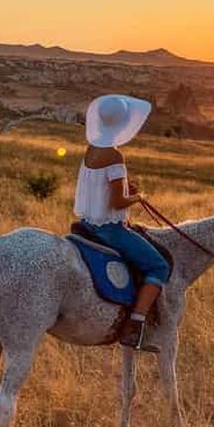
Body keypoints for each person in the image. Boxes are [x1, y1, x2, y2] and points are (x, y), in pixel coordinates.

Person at [73, 94, 170, 352]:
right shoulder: (116, 156)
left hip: (87, 223)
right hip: (109, 229)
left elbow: (100, 187)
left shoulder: (91, 148)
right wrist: (137, 196)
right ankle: (135, 325)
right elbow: (117, 203)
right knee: (159, 266)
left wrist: (126, 188)